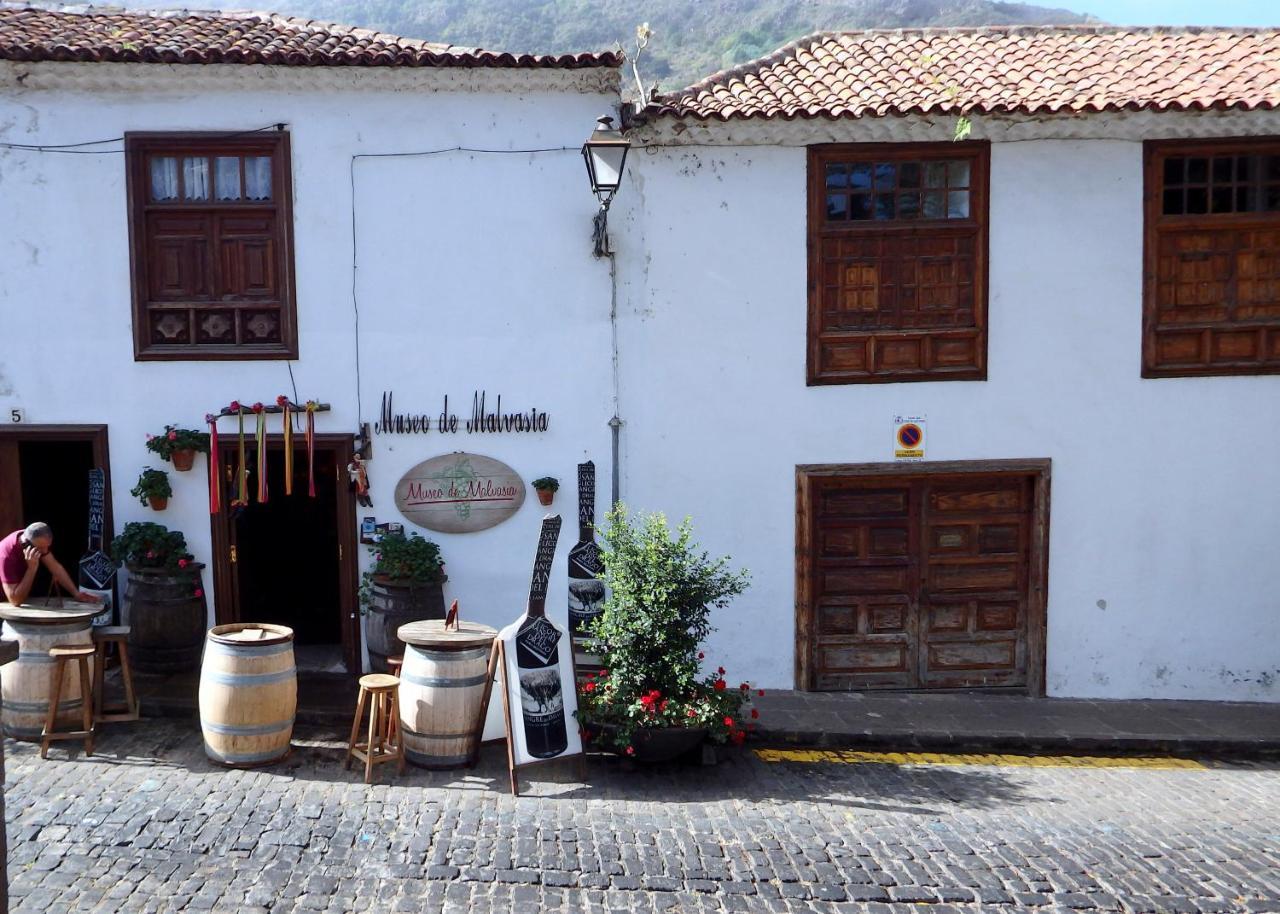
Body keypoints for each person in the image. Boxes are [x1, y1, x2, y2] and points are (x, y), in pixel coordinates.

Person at [0, 522, 102, 606]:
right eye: (40, 548)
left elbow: (55, 568)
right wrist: (31, 569)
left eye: (47, 547)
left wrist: (76, 594)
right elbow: (15, 601)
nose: (45, 552)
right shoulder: (6, 555)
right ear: (25, 544)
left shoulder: (33, 540)